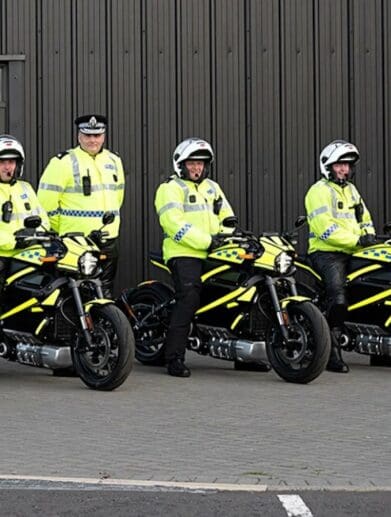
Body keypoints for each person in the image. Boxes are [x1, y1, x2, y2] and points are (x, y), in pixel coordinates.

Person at [155, 138, 236, 377]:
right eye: (192, 163)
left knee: (232, 291)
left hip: (213, 251)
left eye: (201, 163)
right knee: (189, 298)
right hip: (183, 253)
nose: (197, 168)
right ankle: (174, 358)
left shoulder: (212, 187)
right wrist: (208, 241)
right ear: (180, 164)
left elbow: (228, 217)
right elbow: (173, 225)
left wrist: (225, 237)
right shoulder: (170, 188)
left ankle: (242, 355)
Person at [305, 140, 376, 373]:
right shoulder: (318, 192)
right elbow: (324, 228)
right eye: (339, 165)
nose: (344, 170)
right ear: (328, 166)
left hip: (353, 251)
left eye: (346, 165)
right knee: (337, 297)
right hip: (326, 254)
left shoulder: (352, 191)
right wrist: (357, 240)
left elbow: (365, 218)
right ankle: (331, 352)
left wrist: (369, 235)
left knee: (371, 289)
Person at [37, 114, 125, 297]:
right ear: (79, 136)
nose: (93, 140)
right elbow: (45, 203)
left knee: (105, 294)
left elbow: (118, 197)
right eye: (87, 135)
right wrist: (63, 233)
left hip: (108, 240)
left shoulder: (114, 161)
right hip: (76, 242)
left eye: (97, 135)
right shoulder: (63, 162)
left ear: (104, 135)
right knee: (74, 295)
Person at [0, 134, 49, 305]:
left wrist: (36, 233)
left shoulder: (26, 188)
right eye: (3, 162)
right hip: (3, 257)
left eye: (12, 162)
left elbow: (43, 219)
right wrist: (14, 241)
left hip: (28, 256)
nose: (7, 167)